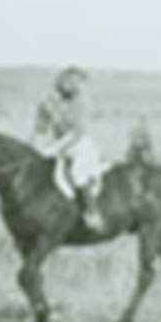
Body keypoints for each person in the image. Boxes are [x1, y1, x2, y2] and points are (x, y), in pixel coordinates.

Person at [34, 66, 107, 233]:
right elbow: (39, 129)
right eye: (69, 81)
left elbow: (77, 133)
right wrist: (37, 147)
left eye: (77, 83)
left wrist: (54, 148)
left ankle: (92, 213)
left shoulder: (80, 102)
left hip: (79, 146)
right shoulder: (47, 103)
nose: (73, 86)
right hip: (55, 144)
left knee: (78, 174)